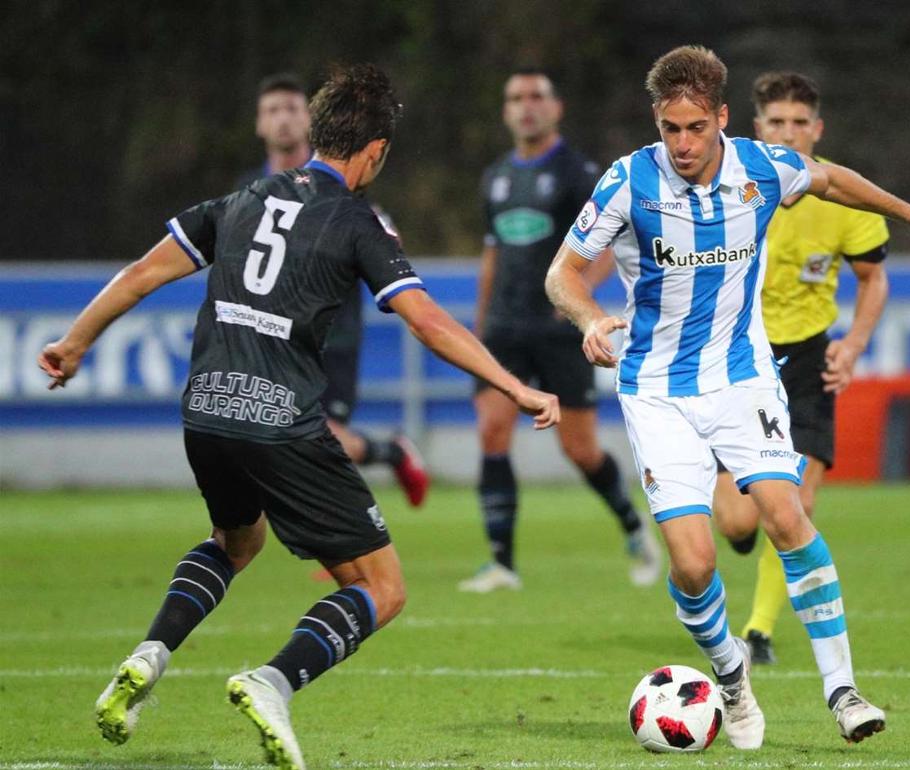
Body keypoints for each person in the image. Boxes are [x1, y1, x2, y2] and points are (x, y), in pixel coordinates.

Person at [38, 64, 559, 770]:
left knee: (235, 541)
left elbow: (139, 274)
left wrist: (73, 343)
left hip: (207, 410)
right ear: (375, 151)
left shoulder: (241, 198)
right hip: (280, 420)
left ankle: (149, 653)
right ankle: (273, 680)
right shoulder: (356, 220)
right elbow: (427, 320)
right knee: (382, 587)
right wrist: (512, 385)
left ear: (314, 133)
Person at [545, 46, 910, 748]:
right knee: (695, 561)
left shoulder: (761, 168)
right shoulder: (627, 182)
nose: (681, 144)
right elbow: (563, 274)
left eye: (694, 128)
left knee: (786, 512)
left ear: (721, 117)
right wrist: (589, 318)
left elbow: (831, 179)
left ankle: (843, 690)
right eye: (668, 128)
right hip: (655, 390)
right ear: (657, 120)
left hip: (742, 377)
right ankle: (731, 679)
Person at [712, 71, 892, 667]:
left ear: (816, 129)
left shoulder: (844, 197)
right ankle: (744, 536)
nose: (788, 133)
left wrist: (856, 343)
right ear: (756, 128)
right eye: (776, 123)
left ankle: (759, 630)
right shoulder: (731, 184)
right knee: (737, 519)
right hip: (738, 360)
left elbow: (873, 278)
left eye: (799, 123)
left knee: (798, 502)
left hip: (808, 359)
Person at [463, 67, 661, 592]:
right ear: (506, 110)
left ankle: (631, 522)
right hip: (504, 326)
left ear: (557, 108)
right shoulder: (495, 176)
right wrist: (481, 325)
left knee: (579, 449)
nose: (526, 106)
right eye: (515, 97)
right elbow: (492, 252)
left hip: (555, 329)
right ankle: (502, 562)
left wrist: (577, 305)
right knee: (492, 430)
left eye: (536, 96)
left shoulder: (578, 172)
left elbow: (607, 244)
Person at [238, 73, 430, 508]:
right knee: (285, 443)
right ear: (259, 125)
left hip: (332, 336)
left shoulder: (342, 182)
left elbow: (380, 237)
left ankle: (350, 540)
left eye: (292, 108)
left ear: (312, 122)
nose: (283, 119)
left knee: (316, 441)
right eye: (273, 110)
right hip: (270, 339)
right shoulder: (248, 191)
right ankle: (388, 455)